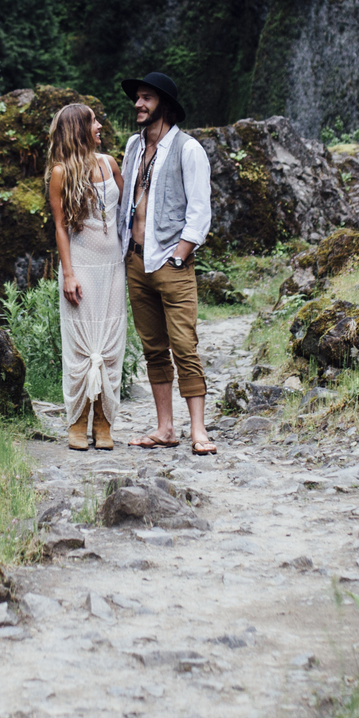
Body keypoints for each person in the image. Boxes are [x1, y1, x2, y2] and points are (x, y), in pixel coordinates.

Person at [117, 71, 216, 455]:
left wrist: (180, 255)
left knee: (183, 345)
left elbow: (200, 211)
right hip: (136, 262)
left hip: (171, 264)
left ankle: (198, 430)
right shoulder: (132, 147)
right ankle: (165, 428)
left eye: (146, 98)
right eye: (137, 98)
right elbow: (126, 202)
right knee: (153, 348)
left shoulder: (188, 149)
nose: (138, 104)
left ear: (165, 105)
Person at [46, 101, 124, 451]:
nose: (99, 125)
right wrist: (68, 274)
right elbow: (60, 228)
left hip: (114, 267)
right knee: (80, 347)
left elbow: (129, 210)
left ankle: (104, 423)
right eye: (92, 121)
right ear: (78, 128)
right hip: (82, 266)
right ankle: (77, 422)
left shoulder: (110, 163)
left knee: (111, 346)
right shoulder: (61, 173)